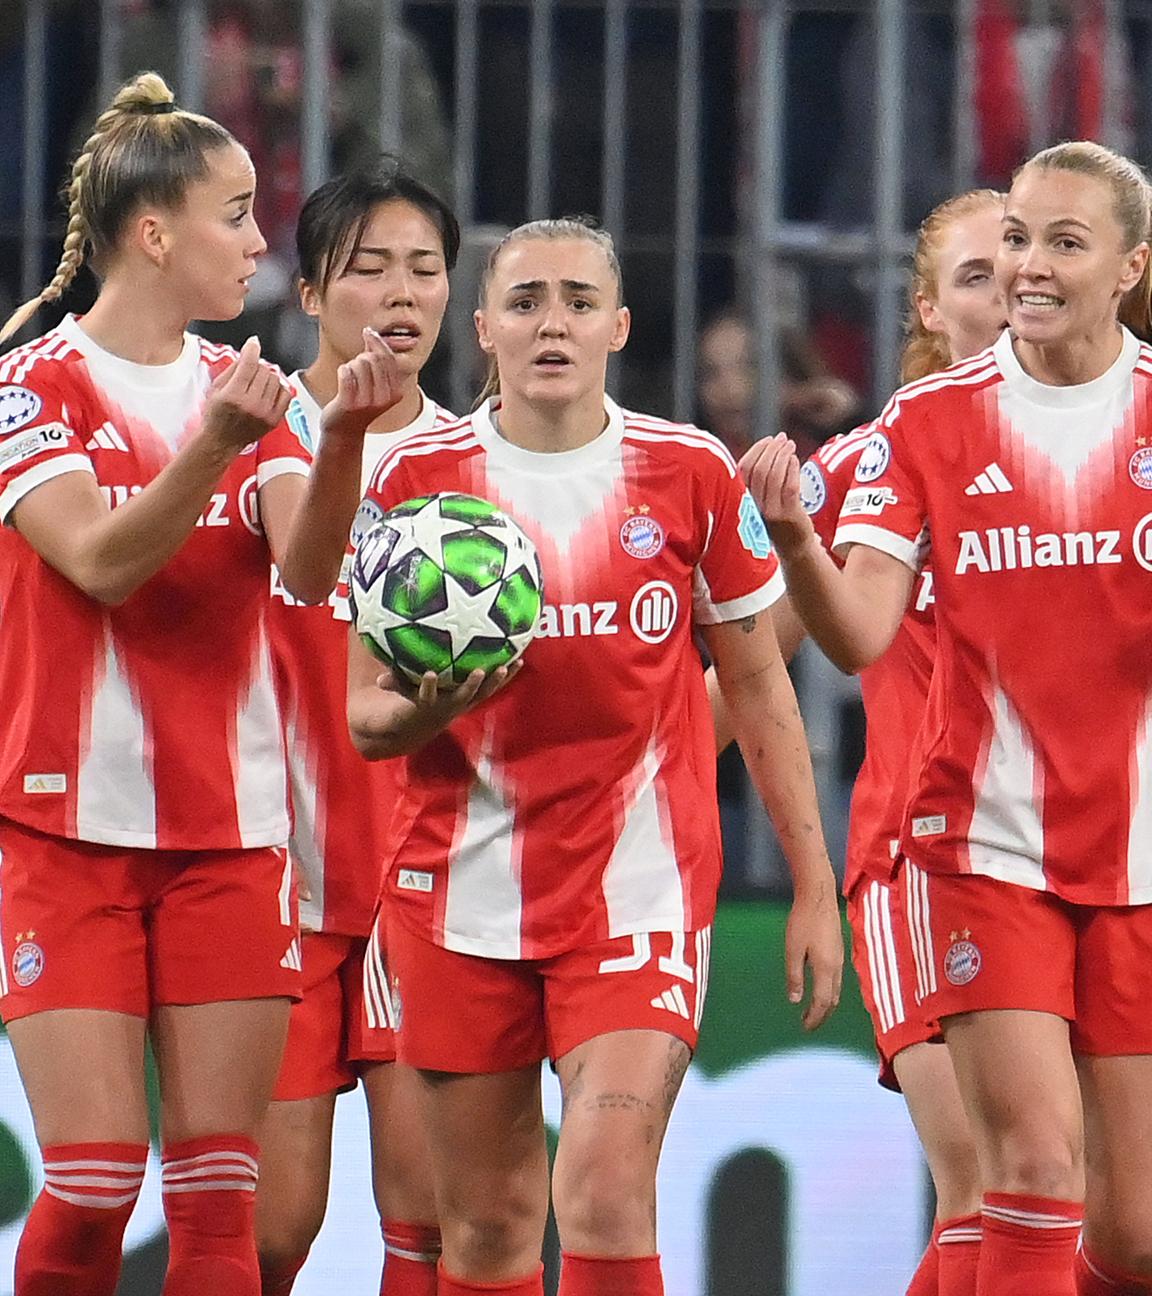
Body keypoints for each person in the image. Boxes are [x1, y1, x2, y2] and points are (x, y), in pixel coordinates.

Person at [346, 217, 844, 1296]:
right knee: (486, 1230)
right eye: (525, 302)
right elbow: (365, 720)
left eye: (578, 300)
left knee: (609, 1195)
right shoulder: (415, 487)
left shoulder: (688, 473)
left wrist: (815, 884)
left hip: (639, 894)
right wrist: (437, 705)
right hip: (455, 896)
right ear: (483, 329)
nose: (552, 323)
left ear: (618, 326)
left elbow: (759, 684)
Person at [0, 71, 400, 1296]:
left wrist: (332, 443)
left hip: (233, 838)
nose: (258, 240)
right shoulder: (29, 390)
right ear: (154, 231)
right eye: (235, 212)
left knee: (221, 1204)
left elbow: (313, 572)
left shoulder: (259, 397)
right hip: (63, 836)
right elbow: (103, 564)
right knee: (92, 1179)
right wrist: (218, 443)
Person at [740, 141, 1152, 1295]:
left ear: (1129, 268)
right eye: (1007, 245)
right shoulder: (917, 429)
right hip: (968, 849)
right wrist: (795, 543)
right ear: (929, 303)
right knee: (1020, 1170)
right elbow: (831, 642)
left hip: (1134, 855)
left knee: (1129, 1236)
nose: (1023, 270)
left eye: (1059, 243)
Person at [770, 189, 1008, 1296]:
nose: (1011, 287)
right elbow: (747, 652)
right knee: (998, 1189)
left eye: (1028, 257)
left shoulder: (1118, 440)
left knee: (1099, 1208)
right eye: (975, 274)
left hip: (1089, 860)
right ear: (927, 309)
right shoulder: (872, 463)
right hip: (925, 860)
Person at [256, 158, 458, 1296]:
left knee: (429, 1212)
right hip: (271, 872)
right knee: (273, 1229)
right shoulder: (249, 426)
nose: (400, 292)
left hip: (424, 877)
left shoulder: (484, 460)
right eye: (368, 266)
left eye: (424, 269)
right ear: (308, 292)